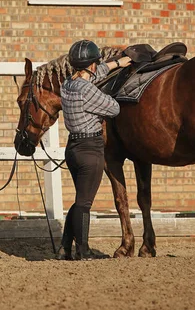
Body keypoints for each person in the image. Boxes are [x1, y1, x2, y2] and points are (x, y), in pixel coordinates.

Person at [57, 40, 132, 260]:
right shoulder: (88, 90)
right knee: (84, 203)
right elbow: (114, 108)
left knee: (81, 198)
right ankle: (83, 250)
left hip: (73, 148)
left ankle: (65, 248)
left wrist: (117, 63)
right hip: (90, 149)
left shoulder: (67, 84)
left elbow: (95, 73)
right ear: (91, 65)